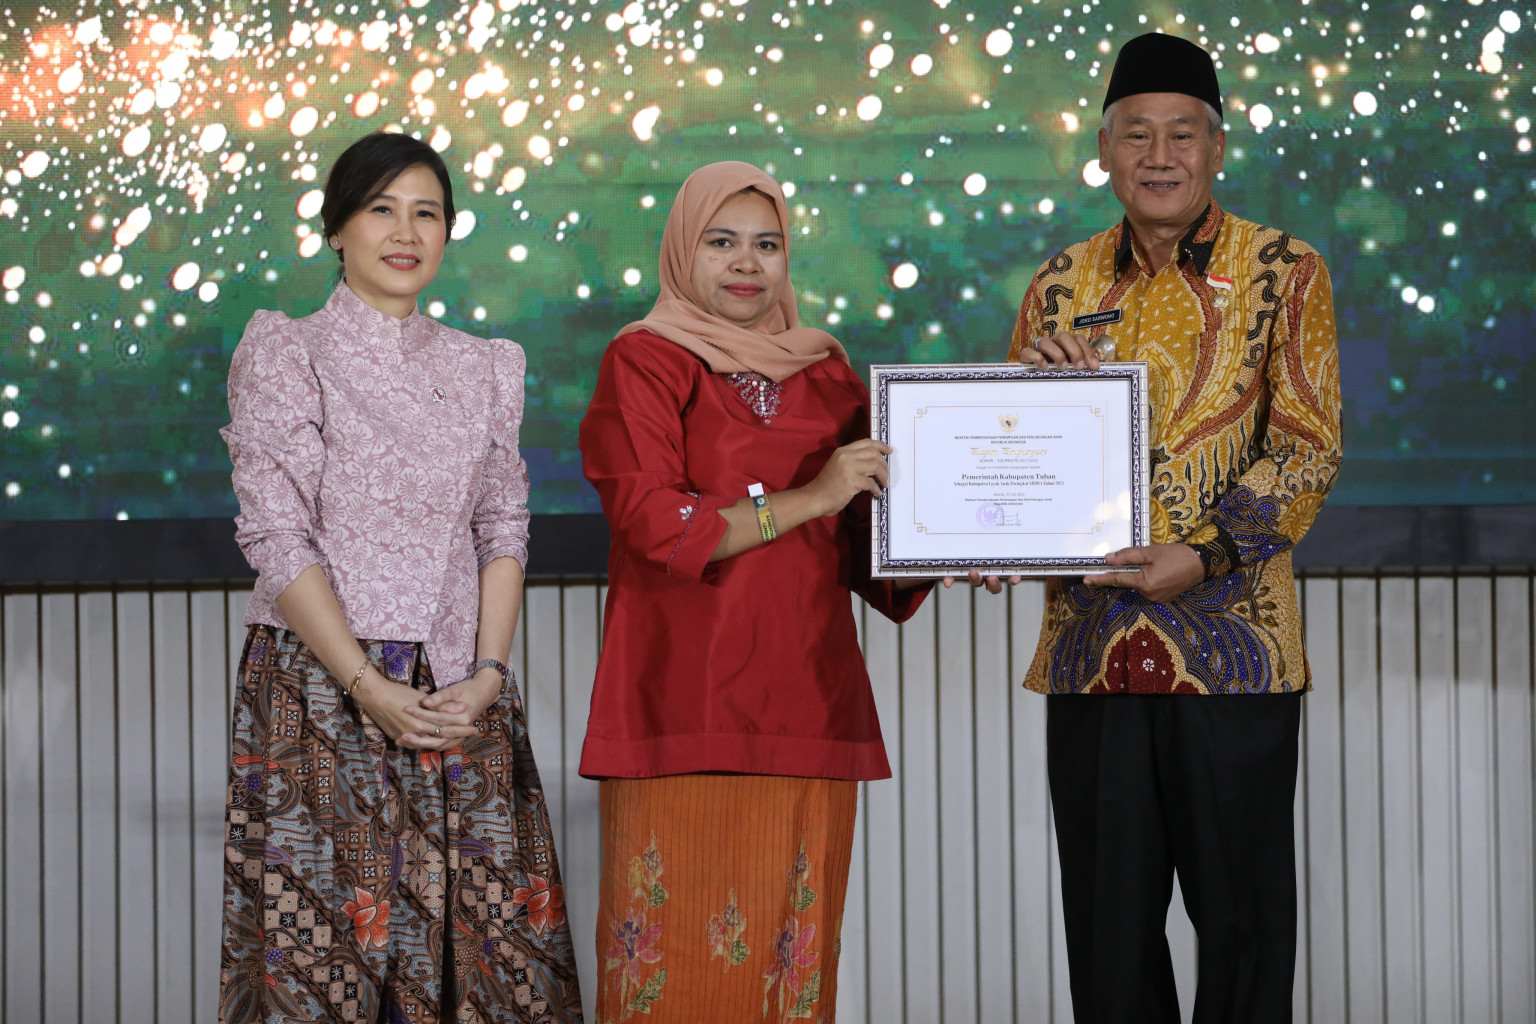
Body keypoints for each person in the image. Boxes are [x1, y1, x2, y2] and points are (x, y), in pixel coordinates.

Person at [1005, 34, 1343, 1024]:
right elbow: (1012, 452)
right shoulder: (1059, 284)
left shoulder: (1286, 270)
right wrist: (1022, 424)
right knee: (1108, 945)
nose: (1159, 155)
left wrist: (1203, 555)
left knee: (1243, 936)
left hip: (1235, 657)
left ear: (1216, 148)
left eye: (1181, 134)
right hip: (1092, 656)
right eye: (1137, 134)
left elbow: (1308, 450)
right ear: (1104, 151)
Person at [218, 131, 582, 1023]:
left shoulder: (484, 364)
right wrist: (364, 684)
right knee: (325, 964)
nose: (406, 231)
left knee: (481, 965)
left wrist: (488, 675)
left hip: (458, 694)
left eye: (427, 213)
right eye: (381, 208)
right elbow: (275, 534)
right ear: (337, 228)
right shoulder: (287, 349)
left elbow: (502, 527)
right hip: (319, 685)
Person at [577, 161, 931, 1022]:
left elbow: (871, 549)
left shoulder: (830, 378)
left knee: (789, 984)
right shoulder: (645, 360)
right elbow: (656, 522)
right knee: (668, 987)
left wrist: (961, 543)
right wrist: (810, 496)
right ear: (681, 252)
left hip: (809, 705)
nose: (747, 263)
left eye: (767, 245)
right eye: (721, 242)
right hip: (680, 702)